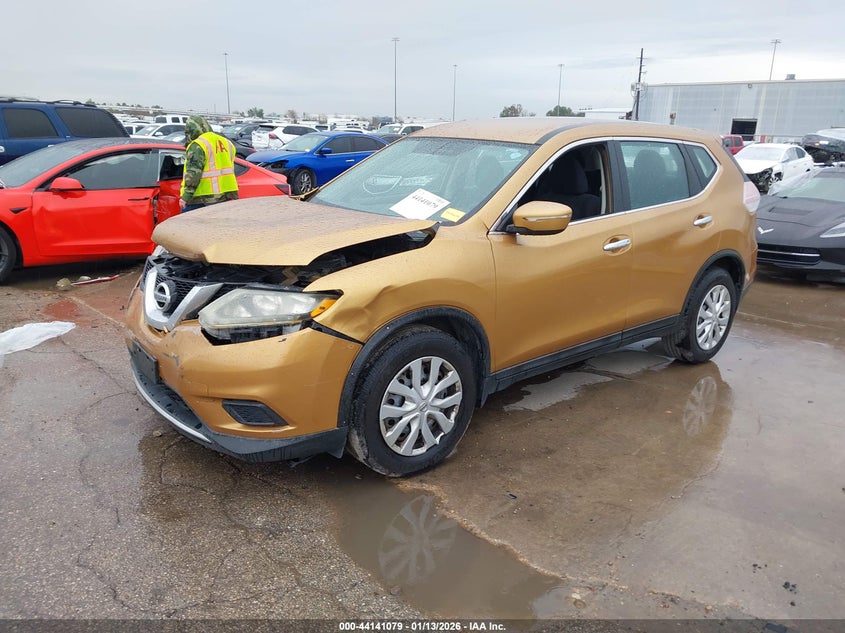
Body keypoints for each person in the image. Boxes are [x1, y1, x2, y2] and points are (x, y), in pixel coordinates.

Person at [179, 115, 239, 212]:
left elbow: (193, 174)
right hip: (225, 195)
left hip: (201, 199)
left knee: (187, 225)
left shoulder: (198, 145)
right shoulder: (226, 142)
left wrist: (186, 196)